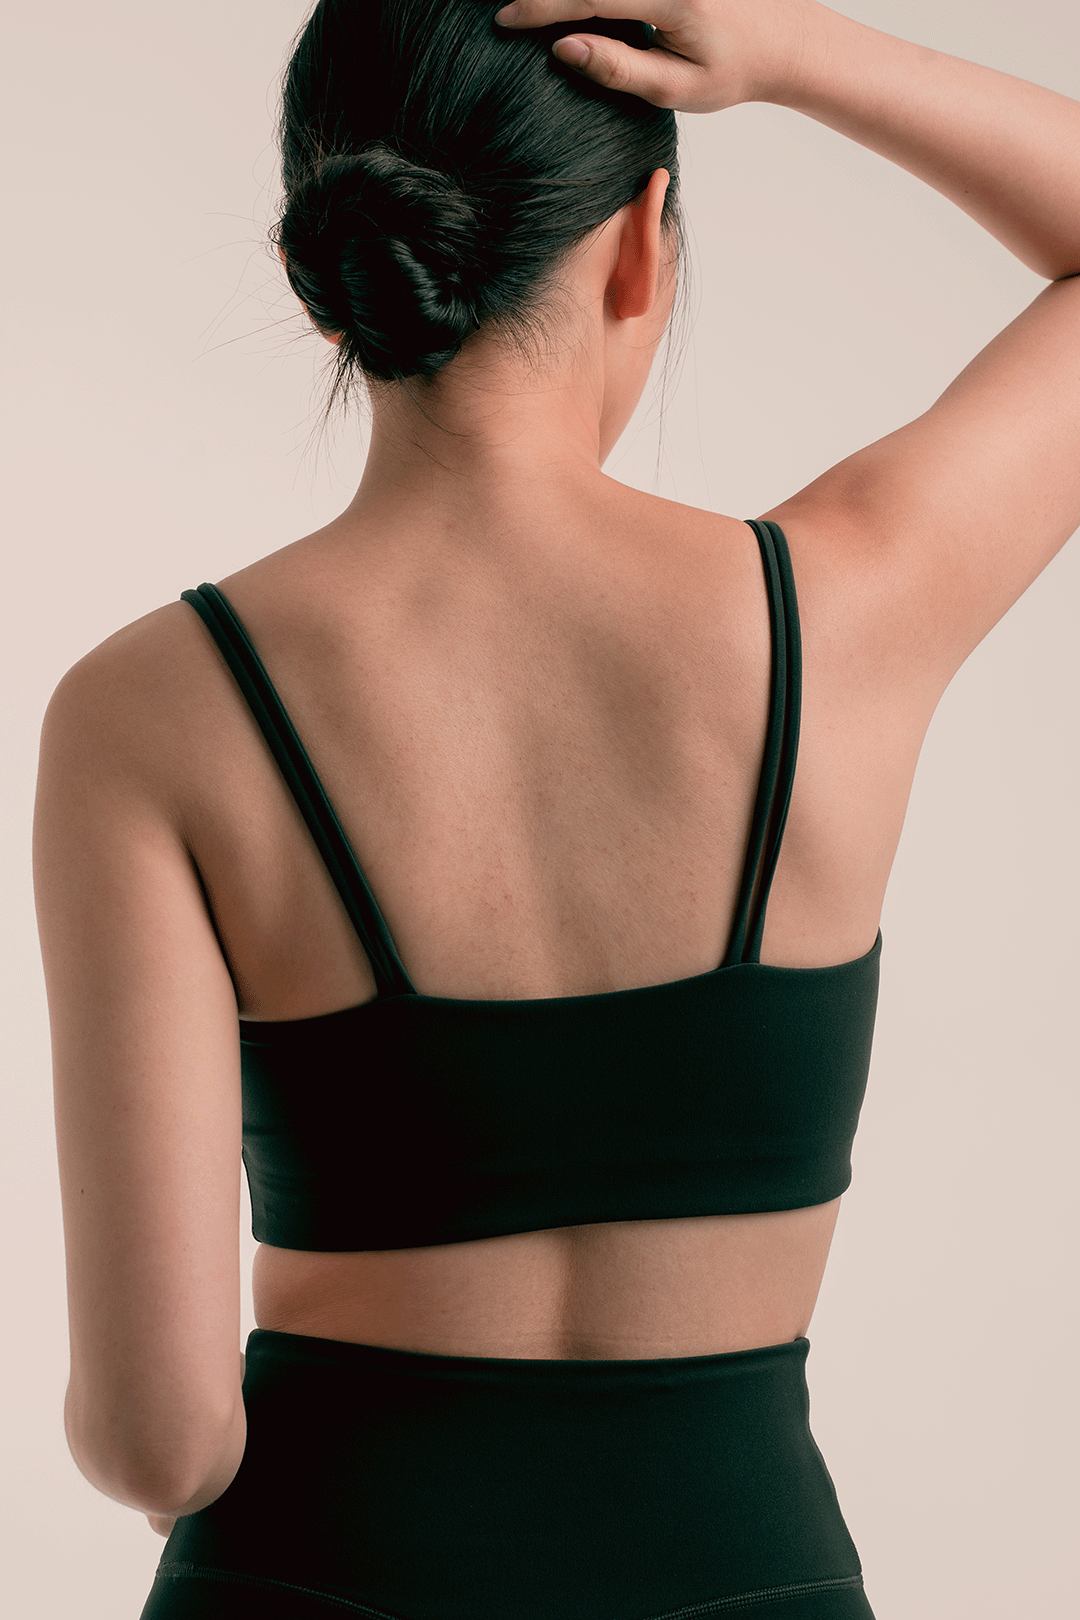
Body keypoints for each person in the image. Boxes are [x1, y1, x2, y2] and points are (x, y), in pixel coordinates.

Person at [33, 1, 1078, 1616]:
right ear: (644, 246)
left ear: (334, 269)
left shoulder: (146, 710)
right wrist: (793, 51)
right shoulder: (841, 615)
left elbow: (159, 1440)